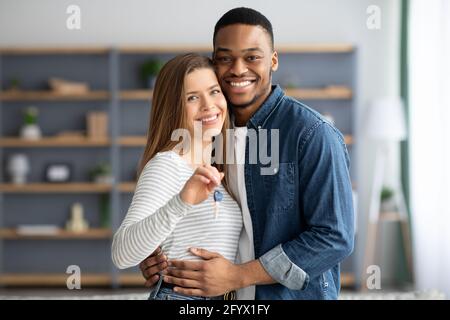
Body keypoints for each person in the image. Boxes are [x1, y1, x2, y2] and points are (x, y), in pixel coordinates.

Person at [139, 7, 354, 300]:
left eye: (252, 57)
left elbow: (334, 237)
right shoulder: (208, 132)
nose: (238, 69)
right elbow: (185, 209)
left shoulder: (312, 134)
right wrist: (154, 253)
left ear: (273, 60)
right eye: (225, 58)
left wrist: (238, 275)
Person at [111, 53, 243, 300]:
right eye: (193, 97)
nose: (208, 105)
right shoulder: (167, 165)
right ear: (173, 106)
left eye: (214, 92)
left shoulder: (223, 166)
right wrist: (182, 201)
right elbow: (121, 253)